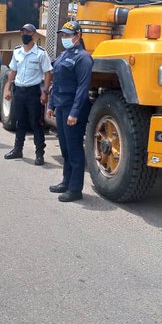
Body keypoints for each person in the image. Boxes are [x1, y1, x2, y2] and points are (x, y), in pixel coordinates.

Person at [47, 21, 93, 202]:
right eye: (63, 35)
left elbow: (83, 87)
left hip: (75, 109)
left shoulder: (83, 58)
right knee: (65, 148)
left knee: (74, 150)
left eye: (68, 35)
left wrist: (74, 112)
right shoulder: (63, 54)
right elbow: (56, 83)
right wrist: (51, 105)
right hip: (61, 107)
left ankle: (75, 189)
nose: (64, 38)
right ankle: (66, 182)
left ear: (78, 35)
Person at [3, 23, 52, 165]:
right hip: (19, 91)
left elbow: (48, 73)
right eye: (23, 32)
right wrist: (7, 88)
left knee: (36, 123)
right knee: (20, 122)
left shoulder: (41, 53)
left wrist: (45, 92)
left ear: (34, 35)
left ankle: (39, 154)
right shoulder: (17, 52)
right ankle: (17, 149)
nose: (24, 35)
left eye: (28, 33)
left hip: (33, 92)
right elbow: (13, 71)